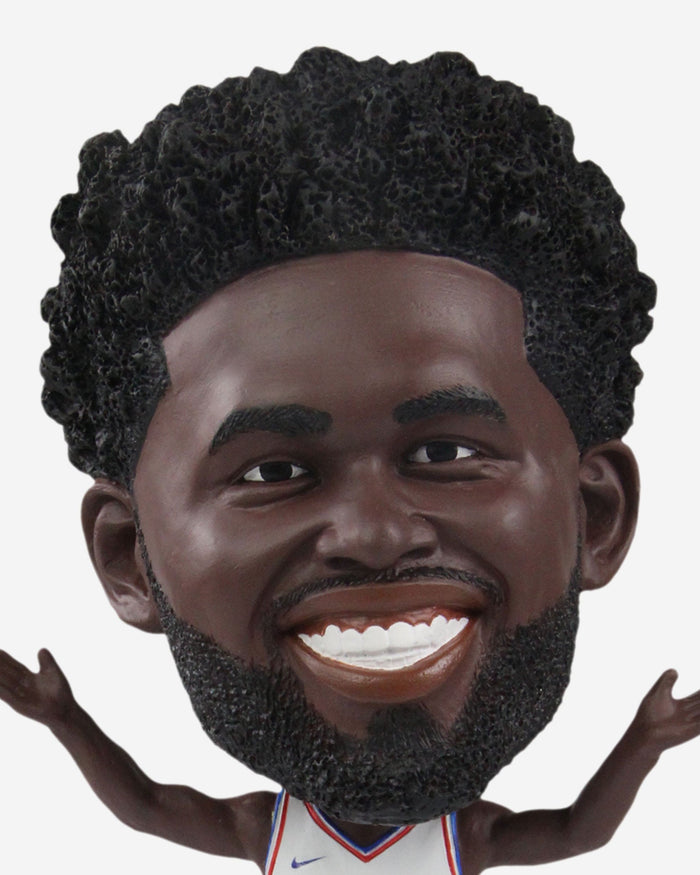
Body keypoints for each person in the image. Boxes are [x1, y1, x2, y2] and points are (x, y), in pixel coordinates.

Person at [1, 48, 698, 873]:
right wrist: (63, 717)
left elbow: (581, 832)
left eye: (445, 452)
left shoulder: (465, 838)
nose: (373, 534)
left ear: (597, 515)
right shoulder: (267, 829)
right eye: (271, 473)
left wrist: (648, 739)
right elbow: (147, 807)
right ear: (130, 556)